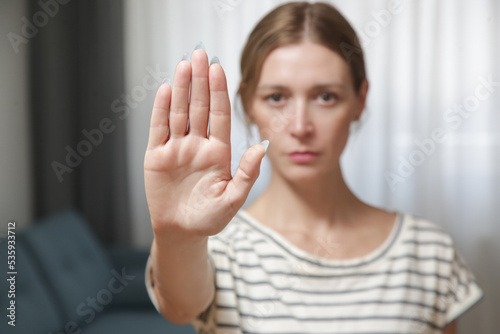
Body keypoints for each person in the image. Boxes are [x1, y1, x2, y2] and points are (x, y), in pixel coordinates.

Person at [143, 2, 482, 333]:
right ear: (247, 105)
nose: (301, 126)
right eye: (277, 97)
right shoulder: (213, 247)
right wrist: (177, 236)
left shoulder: (429, 252)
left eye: (325, 96)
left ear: (359, 100)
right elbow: (180, 307)